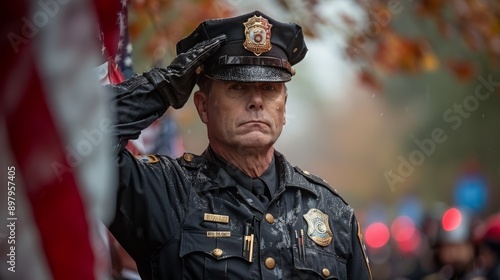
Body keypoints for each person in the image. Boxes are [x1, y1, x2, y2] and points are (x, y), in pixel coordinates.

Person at [108, 10, 372, 280]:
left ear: (283, 108)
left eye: (270, 89)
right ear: (203, 107)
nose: (256, 101)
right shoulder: (165, 192)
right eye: (237, 87)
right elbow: (80, 148)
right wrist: (162, 88)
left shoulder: (332, 211)